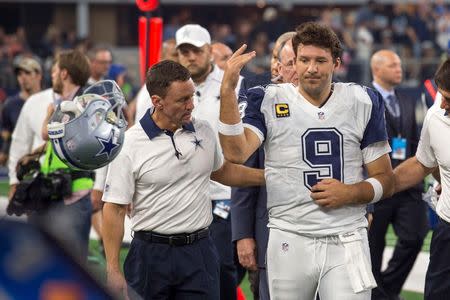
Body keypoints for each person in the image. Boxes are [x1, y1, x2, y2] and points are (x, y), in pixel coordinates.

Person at [220, 21, 394, 299]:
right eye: (304, 60)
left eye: (320, 60)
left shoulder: (363, 100)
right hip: (289, 235)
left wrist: (351, 192)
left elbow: (386, 178)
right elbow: (236, 153)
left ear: (336, 63)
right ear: (294, 61)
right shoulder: (265, 98)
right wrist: (227, 90)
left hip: (346, 236)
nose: (311, 68)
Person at [102, 60, 264, 299]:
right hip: (149, 255)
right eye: (182, 100)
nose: (191, 105)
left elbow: (222, 171)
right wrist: (113, 269)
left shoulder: (204, 130)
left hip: (199, 252)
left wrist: (269, 177)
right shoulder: (130, 144)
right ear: (157, 102)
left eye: (192, 96)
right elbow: (114, 208)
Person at [231, 35, 298, 300]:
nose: (300, 69)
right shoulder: (262, 102)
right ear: (278, 68)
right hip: (271, 231)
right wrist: (244, 234)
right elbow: (244, 174)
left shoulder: (337, 102)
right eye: (292, 62)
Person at [368, 49, 428, 300]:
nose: (399, 69)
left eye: (400, 64)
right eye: (393, 65)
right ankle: (376, 293)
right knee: (373, 248)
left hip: (406, 185)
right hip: (374, 186)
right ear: (377, 69)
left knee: (415, 236)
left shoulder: (406, 99)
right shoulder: (363, 98)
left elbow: (413, 139)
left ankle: (385, 291)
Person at [27, 50, 95, 261]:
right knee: (40, 263)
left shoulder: (83, 103)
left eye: (55, 71)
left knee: (70, 268)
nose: (52, 76)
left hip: (72, 195)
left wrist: (49, 115)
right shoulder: (73, 102)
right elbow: (62, 142)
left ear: (64, 73)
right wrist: (36, 153)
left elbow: (47, 133)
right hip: (51, 191)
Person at [393, 58, 450, 300]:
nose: (443, 103)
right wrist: (378, 186)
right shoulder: (436, 114)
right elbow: (422, 163)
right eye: (442, 95)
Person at [0, 57, 42, 165]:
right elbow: (8, 135)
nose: (23, 77)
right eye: (19, 74)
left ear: (38, 75)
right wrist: (4, 153)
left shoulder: (48, 101)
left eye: (27, 73)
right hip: (19, 162)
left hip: (43, 158)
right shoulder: (10, 105)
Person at [134, 38, 179, 123]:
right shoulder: (158, 83)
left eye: (181, 54)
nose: (179, 59)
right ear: (162, 57)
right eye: (175, 55)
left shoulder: (171, 82)